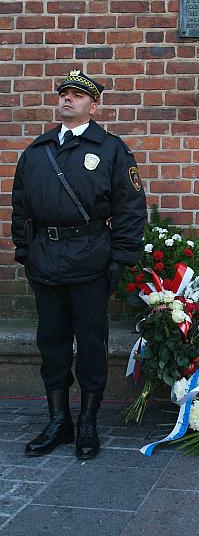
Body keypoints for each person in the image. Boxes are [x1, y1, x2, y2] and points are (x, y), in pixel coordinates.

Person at [11, 69, 147, 460]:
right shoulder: (37, 151)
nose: (67, 99)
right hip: (46, 261)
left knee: (90, 343)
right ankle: (58, 420)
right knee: (51, 342)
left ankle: (87, 421)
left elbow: (130, 208)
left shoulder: (111, 149)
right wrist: (25, 251)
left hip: (90, 259)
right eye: (64, 93)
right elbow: (20, 206)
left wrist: (121, 257)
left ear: (94, 104)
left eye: (77, 95)